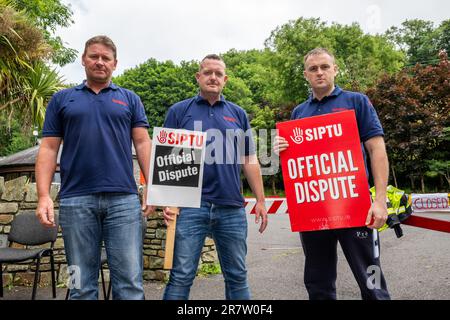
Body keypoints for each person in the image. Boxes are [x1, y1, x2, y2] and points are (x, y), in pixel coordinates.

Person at [35, 35, 154, 300]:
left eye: (106, 58)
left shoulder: (130, 99)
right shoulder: (62, 99)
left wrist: (153, 188)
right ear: (84, 59)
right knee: (79, 284)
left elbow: (143, 143)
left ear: (115, 64)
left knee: (130, 286)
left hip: (123, 201)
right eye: (94, 56)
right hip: (75, 201)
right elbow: (49, 148)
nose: (99, 62)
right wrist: (44, 195)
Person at [273, 48, 391, 300]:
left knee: (373, 282)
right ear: (306, 74)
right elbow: (297, 165)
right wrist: (282, 149)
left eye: (324, 67)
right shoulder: (298, 113)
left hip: (355, 206)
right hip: (315, 210)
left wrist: (380, 200)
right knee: (318, 283)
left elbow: (376, 148)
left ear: (335, 69)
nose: (319, 72)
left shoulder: (356, 101)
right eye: (313, 69)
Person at [162, 54, 268, 300]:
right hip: (190, 207)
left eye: (218, 74)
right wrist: (168, 200)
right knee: (181, 275)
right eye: (207, 72)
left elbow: (249, 159)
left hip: (230, 206)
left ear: (225, 79)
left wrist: (260, 200)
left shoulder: (238, 114)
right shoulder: (179, 111)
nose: (213, 77)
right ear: (198, 77)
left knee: (237, 276)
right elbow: (166, 158)